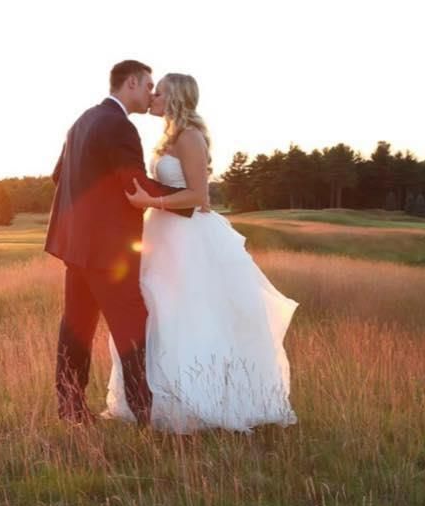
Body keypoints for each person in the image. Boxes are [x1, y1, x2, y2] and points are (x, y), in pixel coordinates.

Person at [104, 73, 298, 433]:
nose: (152, 97)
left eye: (159, 92)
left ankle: (201, 401)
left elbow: (199, 197)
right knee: (157, 313)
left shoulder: (190, 137)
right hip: (160, 235)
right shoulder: (169, 137)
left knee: (189, 314)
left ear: (175, 98)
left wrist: (151, 201)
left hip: (187, 237)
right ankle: (158, 400)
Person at [44, 61, 202, 425]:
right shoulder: (120, 126)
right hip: (108, 251)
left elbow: (59, 176)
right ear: (131, 83)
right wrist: (190, 201)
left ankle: (71, 408)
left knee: (76, 326)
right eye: (148, 85)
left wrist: (88, 212)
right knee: (132, 326)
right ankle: (145, 413)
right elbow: (135, 186)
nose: (151, 94)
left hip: (76, 248)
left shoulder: (82, 120)